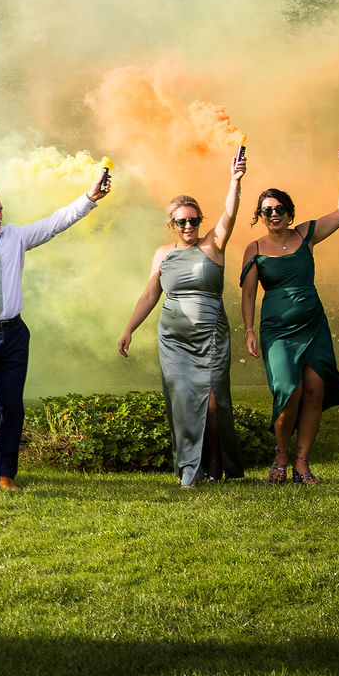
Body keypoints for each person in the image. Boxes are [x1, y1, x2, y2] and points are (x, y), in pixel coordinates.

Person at [0, 173, 112, 490]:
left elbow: (55, 222)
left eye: (1, 209)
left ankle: (5, 473)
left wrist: (89, 198)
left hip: (13, 334)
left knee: (12, 405)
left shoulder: (16, 237)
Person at [117, 152, 247, 487]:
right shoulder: (162, 254)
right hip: (173, 338)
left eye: (193, 220)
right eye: (181, 222)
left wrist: (236, 180)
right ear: (171, 225)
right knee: (183, 403)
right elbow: (150, 294)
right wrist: (129, 329)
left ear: (200, 221)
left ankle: (216, 464)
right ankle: (191, 471)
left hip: (210, 334)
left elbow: (230, 214)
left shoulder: (213, 245)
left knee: (214, 405)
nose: (188, 226)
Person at [240, 152, 339, 485]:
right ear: (261, 217)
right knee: (288, 391)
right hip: (277, 330)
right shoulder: (255, 249)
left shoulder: (306, 234)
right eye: (267, 210)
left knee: (314, 391)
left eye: (278, 208)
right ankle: (280, 455)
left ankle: (302, 463)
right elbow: (249, 294)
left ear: (289, 212)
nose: (273, 214)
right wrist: (249, 329)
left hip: (313, 325)